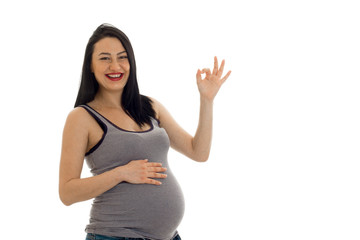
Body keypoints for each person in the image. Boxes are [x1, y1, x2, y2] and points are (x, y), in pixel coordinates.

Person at [59, 23, 231, 240]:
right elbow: (67, 192)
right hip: (114, 236)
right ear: (90, 66)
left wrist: (207, 100)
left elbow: (198, 152)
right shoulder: (82, 118)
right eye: (104, 58)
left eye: (122, 57)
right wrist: (121, 173)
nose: (115, 66)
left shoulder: (149, 107)